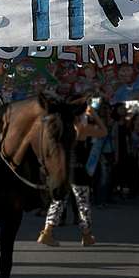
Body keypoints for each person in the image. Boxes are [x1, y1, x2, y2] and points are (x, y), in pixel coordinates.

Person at [37, 105, 107, 246]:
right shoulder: (80, 128)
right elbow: (104, 132)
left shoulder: (61, 127)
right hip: (78, 169)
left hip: (62, 168)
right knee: (82, 203)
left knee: (58, 200)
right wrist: (94, 115)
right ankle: (86, 235)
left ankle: (47, 232)